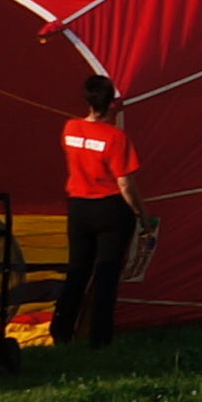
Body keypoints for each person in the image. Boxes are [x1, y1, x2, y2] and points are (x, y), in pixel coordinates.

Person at [53, 72, 142, 347]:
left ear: (86, 99)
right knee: (106, 275)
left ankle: (61, 332)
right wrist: (141, 214)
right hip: (111, 209)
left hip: (79, 208)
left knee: (77, 270)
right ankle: (99, 338)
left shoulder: (70, 129)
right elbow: (125, 183)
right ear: (111, 102)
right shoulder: (116, 138)